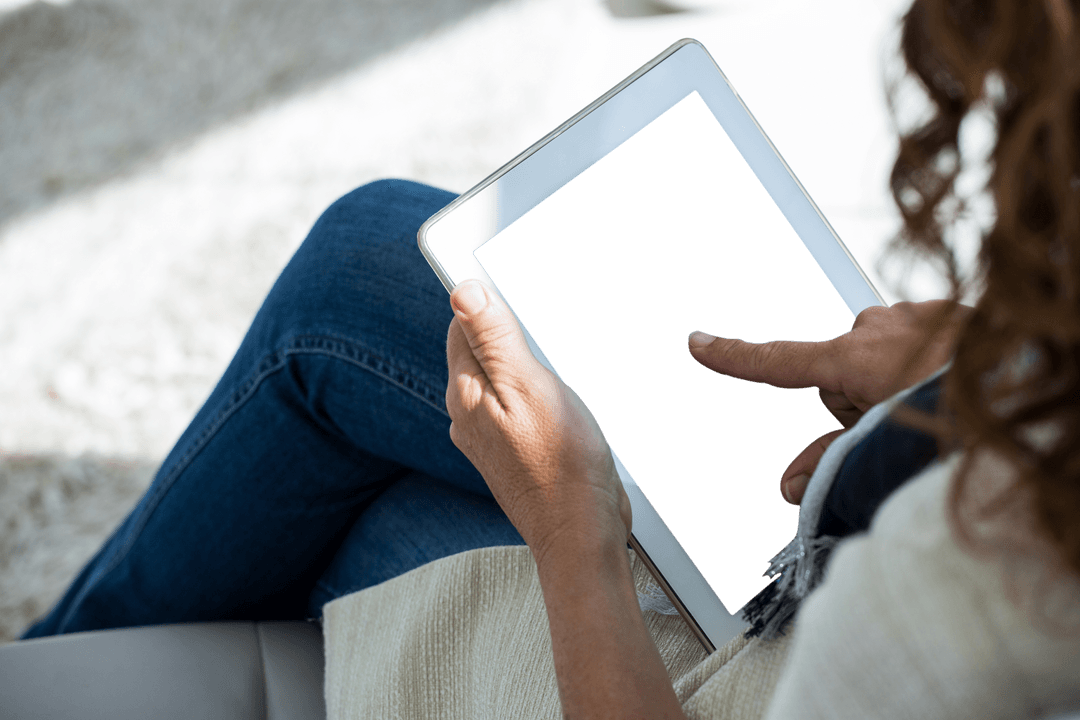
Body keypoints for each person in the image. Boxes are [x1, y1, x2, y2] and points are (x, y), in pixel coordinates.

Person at [21, 0, 1080, 716]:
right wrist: (991, 367)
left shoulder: (977, 581)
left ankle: (38, 673)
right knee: (377, 375)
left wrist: (574, 533)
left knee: (351, 301)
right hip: (818, 571)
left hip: (743, 671)